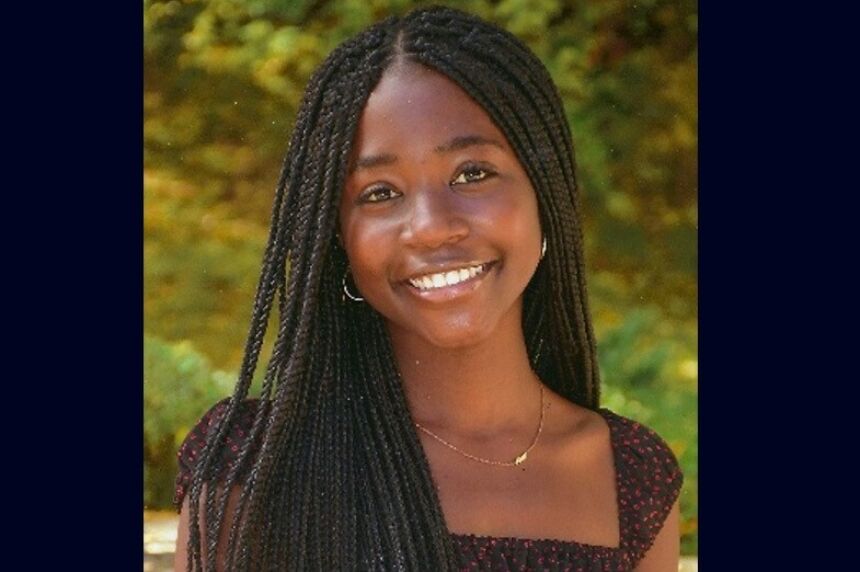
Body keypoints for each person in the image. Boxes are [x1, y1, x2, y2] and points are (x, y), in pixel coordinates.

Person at [173, 6, 683, 571]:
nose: (432, 226)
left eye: (472, 173)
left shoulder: (628, 477)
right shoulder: (255, 464)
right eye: (380, 192)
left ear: (546, 195)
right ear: (339, 236)